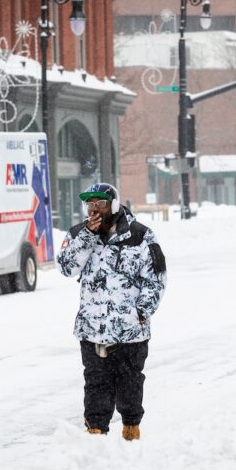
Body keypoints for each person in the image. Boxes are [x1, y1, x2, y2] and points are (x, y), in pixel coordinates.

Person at [57, 183, 166, 441]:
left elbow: (156, 278)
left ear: (114, 205)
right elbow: (65, 268)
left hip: (130, 331)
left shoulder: (140, 236)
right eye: (89, 204)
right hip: (92, 329)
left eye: (100, 203)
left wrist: (141, 312)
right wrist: (86, 236)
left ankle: (131, 432)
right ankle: (96, 435)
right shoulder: (77, 235)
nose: (94, 209)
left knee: (130, 383)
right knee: (96, 383)